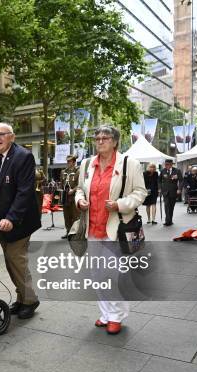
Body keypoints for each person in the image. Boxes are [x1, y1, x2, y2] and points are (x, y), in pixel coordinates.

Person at [75, 125, 147, 334]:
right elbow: (80, 188)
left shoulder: (129, 164)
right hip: (92, 228)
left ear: (115, 141)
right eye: (97, 138)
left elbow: (141, 192)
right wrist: (80, 200)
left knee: (114, 275)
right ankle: (106, 313)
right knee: (96, 274)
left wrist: (119, 204)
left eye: (105, 138)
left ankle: (116, 316)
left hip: (117, 228)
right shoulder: (87, 163)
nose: (100, 141)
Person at [0, 122, 41, 319]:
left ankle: (30, 300)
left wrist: (11, 218)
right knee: (11, 260)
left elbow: (24, 192)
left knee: (16, 259)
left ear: (12, 137)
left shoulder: (23, 157)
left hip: (18, 221)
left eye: (2, 134)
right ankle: (22, 298)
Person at [60, 154, 80, 239]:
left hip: (74, 196)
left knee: (75, 215)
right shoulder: (63, 172)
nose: (68, 163)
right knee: (66, 215)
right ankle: (68, 231)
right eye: (67, 161)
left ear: (74, 162)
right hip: (66, 197)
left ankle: (75, 233)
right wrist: (60, 193)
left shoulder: (78, 171)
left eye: (70, 161)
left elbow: (80, 184)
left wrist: (73, 190)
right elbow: (61, 184)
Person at [159, 159, 182, 226]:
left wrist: (179, 189)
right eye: (165, 164)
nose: (166, 166)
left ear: (171, 164)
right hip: (165, 191)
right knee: (166, 205)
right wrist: (160, 188)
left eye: (167, 164)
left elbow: (181, 181)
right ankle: (167, 221)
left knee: (171, 206)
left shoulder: (177, 171)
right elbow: (159, 180)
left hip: (173, 191)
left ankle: (170, 220)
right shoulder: (163, 171)